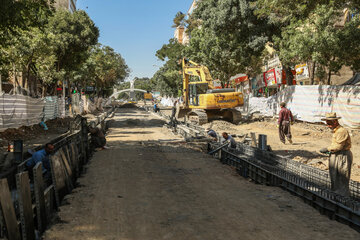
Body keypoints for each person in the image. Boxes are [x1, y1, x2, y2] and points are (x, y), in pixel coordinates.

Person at [320, 112, 352, 197]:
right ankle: (336, 195)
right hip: (336, 155)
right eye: (327, 123)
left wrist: (327, 149)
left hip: (342, 156)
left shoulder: (342, 131)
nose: (328, 125)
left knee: (342, 177)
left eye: (329, 123)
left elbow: (339, 146)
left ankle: (343, 198)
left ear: (335, 122)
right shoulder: (336, 130)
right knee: (334, 177)